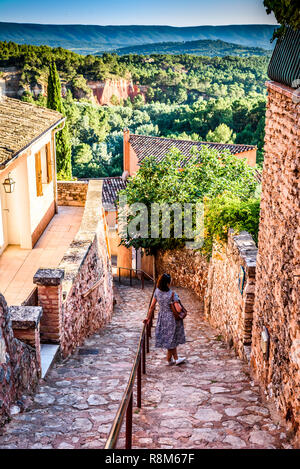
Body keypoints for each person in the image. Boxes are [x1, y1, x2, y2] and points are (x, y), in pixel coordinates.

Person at [144, 273, 186, 366]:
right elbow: (178, 309)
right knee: (171, 338)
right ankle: (175, 358)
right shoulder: (172, 294)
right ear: (167, 283)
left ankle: (170, 359)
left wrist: (148, 318)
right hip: (171, 319)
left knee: (169, 339)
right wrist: (178, 301)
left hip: (162, 318)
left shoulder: (157, 292)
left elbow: (151, 306)